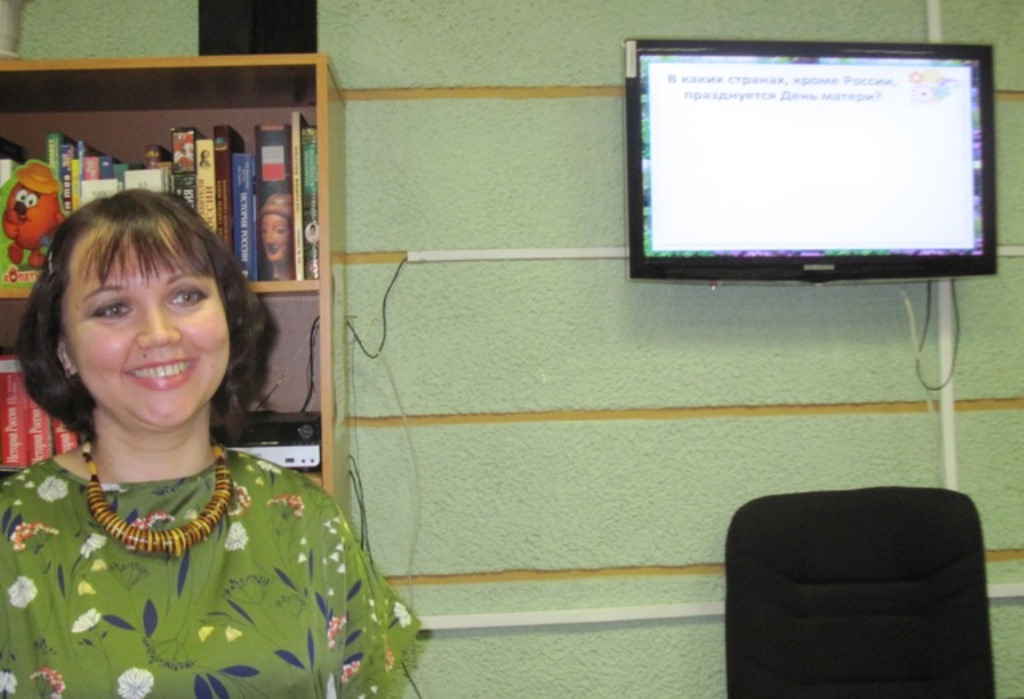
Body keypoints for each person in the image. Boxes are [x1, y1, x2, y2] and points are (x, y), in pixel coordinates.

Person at [1, 189, 419, 697]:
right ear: (64, 348)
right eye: (114, 308)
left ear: (227, 317)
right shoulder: (11, 534)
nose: (159, 334)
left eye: (185, 296)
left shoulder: (306, 518)